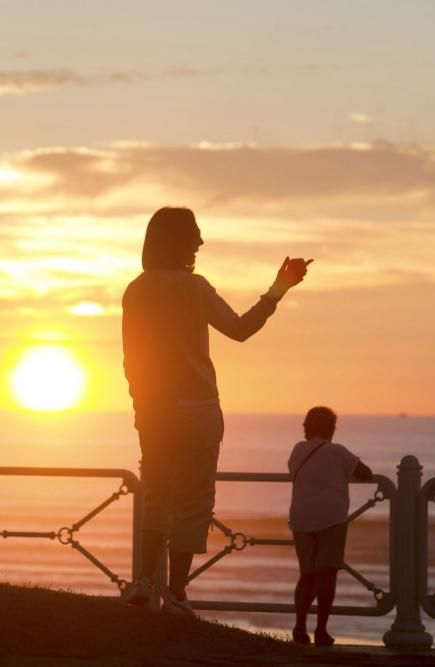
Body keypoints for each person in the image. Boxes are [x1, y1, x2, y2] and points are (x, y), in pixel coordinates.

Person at [122, 206, 312, 616]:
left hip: (154, 410)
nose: (201, 242)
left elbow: (131, 360)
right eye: (195, 234)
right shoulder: (194, 287)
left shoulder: (135, 291)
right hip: (197, 410)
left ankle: (142, 582)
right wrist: (278, 289)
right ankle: (174, 593)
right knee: (193, 501)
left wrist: (142, 404)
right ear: (177, 240)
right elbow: (240, 330)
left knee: (157, 495)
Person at [288, 406, 373, 645]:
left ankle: (299, 627)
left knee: (307, 575)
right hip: (331, 518)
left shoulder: (297, 449)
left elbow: (291, 470)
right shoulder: (337, 452)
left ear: (307, 427)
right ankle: (321, 630)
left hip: (301, 518)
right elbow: (365, 473)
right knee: (327, 575)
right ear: (330, 429)